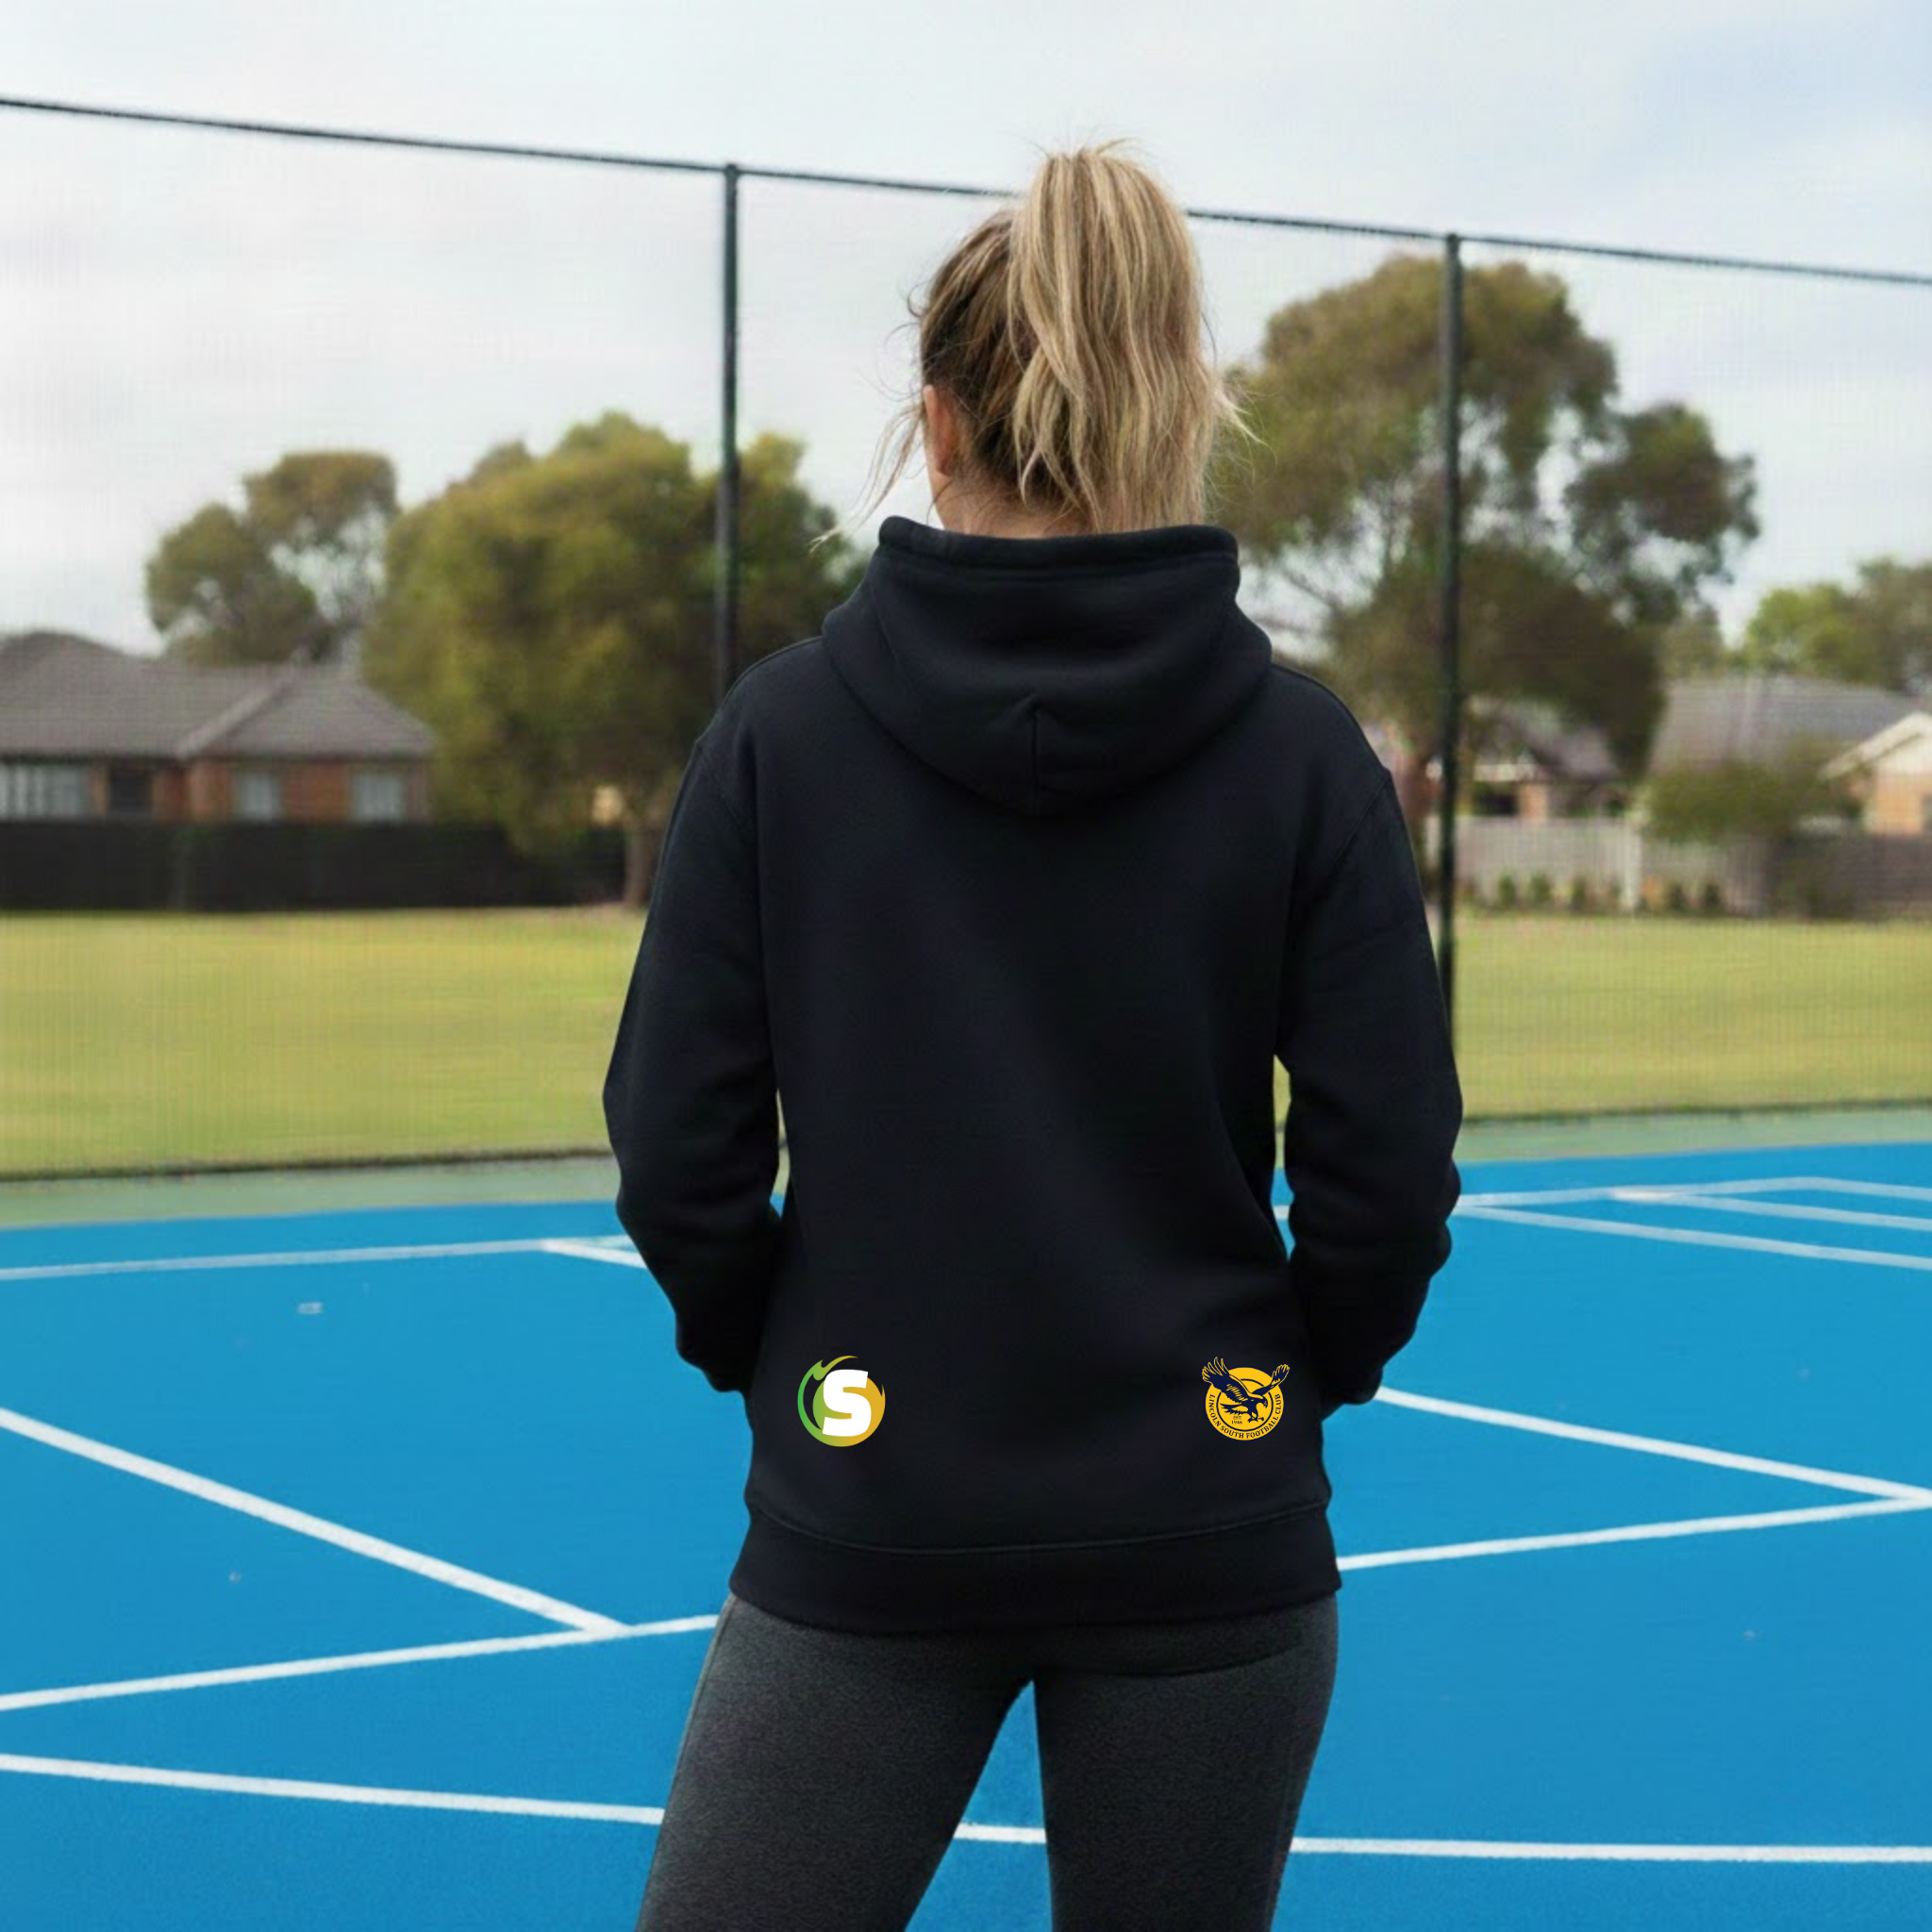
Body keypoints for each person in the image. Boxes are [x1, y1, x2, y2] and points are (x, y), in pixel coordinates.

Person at [602, 136, 1463, 1932]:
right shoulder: (1306, 754)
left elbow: (680, 1152)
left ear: (936, 426)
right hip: (1211, 1519)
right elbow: (1385, 1177)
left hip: (871, 1509)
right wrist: (1285, 1377)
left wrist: (790, 1363)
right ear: (1170, 414)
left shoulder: (783, 736)